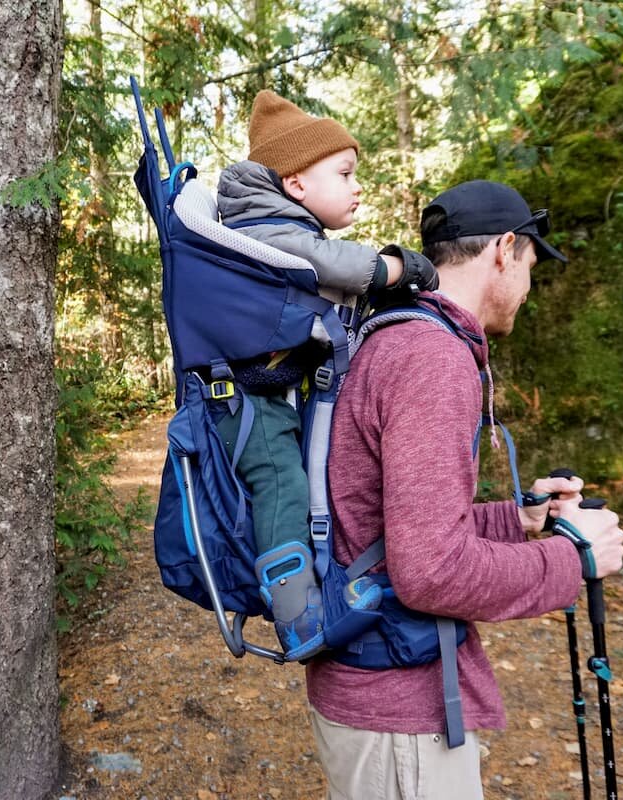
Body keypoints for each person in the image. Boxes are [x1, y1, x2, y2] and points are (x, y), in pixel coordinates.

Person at [305, 179, 623, 799]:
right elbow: (428, 570)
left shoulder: (397, 333)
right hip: (400, 715)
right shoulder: (432, 357)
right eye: (531, 265)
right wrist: (573, 557)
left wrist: (520, 521)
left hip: (377, 693)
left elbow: (399, 525)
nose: (529, 289)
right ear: (505, 249)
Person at [211, 90, 438, 662]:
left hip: (269, 389)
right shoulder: (266, 228)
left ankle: (323, 578)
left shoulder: (276, 226)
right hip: (249, 402)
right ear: (295, 184)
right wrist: (393, 267)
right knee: (281, 482)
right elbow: (332, 267)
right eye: (344, 173)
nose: (357, 185)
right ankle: (298, 619)